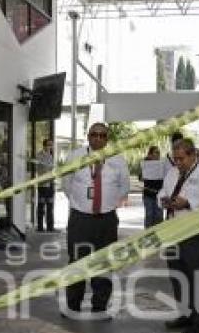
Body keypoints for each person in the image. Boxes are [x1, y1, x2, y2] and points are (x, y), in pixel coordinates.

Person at [61, 123, 130, 319]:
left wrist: (107, 203)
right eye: (94, 135)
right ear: (88, 136)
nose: (98, 138)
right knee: (77, 262)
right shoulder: (75, 156)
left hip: (106, 220)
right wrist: (81, 203)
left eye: (102, 135)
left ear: (107, 139)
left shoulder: (117, 159)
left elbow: (123, 187)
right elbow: (67, 185)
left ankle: (99, 306)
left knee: (105, 263)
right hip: (80, 220)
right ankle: (72, 306)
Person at [159, 138, 199, 333]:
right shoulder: (172, 172)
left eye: (181, 159)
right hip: (172, 230)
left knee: (195, 277)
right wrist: (164, 199)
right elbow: (163, 190)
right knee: (177, 276)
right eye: (175, 159)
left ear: (193, 155)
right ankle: (185, 314)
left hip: (194, 233)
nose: (178, 163)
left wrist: (188, 203)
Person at [141, 145, 166, 228]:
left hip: (159, 194)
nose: (158, 154)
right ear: (150, 154)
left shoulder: (162, 164)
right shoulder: (146, 164)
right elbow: (140, 177)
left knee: (159, 217)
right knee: (149, 216)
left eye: (159, 152)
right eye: (156, 152)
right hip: (148, 194)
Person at [34, 138, 56, 232]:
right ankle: (40, 227)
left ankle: (50, 227)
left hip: (50, 184)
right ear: (44, 145)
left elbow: (51, 170)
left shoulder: (51, 156)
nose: (50, 147)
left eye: (51, 145)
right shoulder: (39, 155)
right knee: (41, 206)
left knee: (50, 206)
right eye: (48, 145)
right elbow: (40, 169)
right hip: (42, 185)